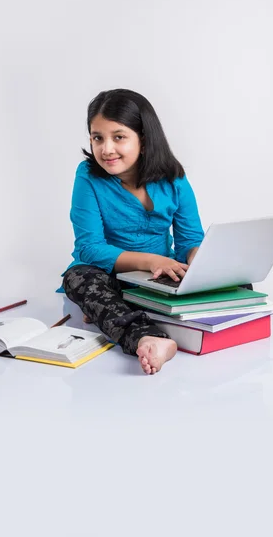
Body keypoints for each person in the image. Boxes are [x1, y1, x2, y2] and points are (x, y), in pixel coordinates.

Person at [61, 89, 204, 375]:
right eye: (97, 137)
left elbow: (190, 239)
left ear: (144, 138)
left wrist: (203, 264)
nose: (106, 149)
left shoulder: (173, 178)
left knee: (236, 284)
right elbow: (90, 248)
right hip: (109, 275)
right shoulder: (88, 176)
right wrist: (151, 261)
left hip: (159, 279)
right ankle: (148, 338)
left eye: (119, 137)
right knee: (78, 279)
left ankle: (110, 311)